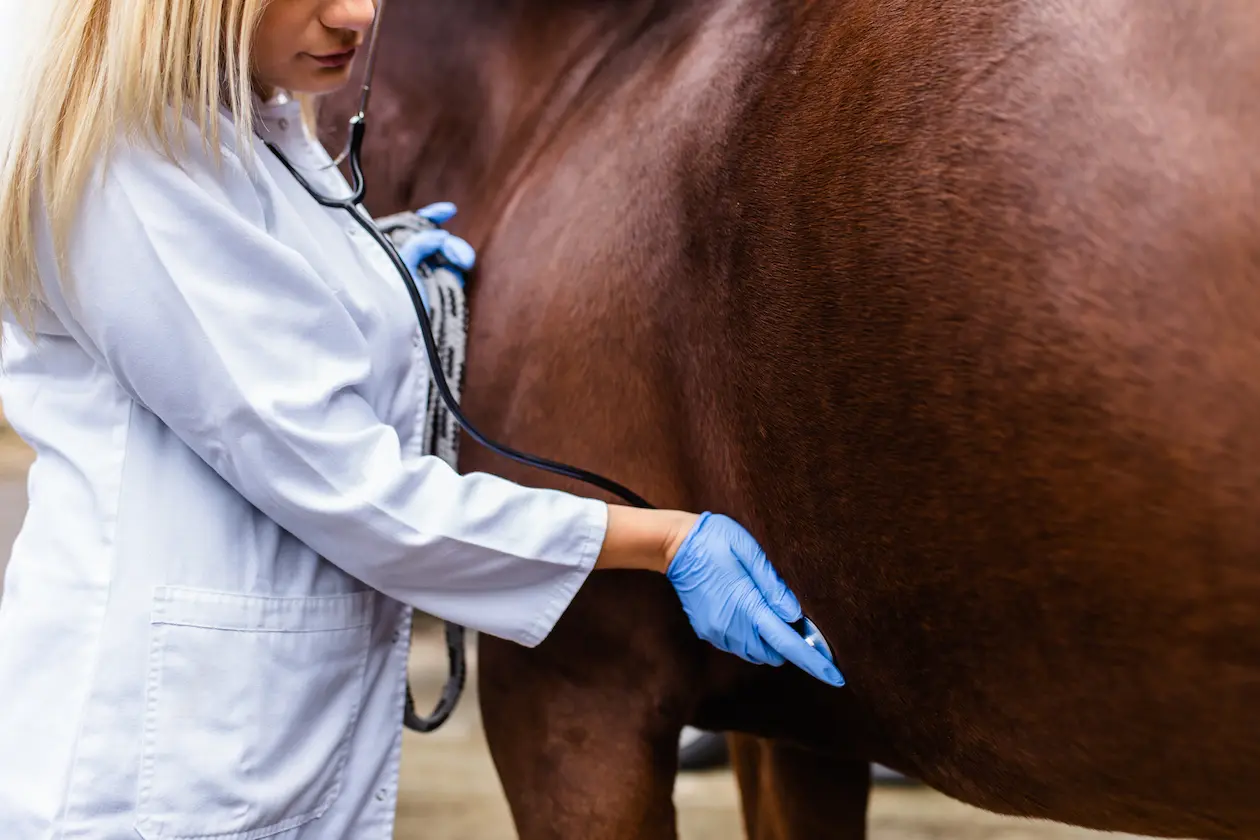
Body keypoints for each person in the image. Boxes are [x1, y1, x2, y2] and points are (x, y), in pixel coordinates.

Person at [0, 1, 843, 837]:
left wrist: (374, 272)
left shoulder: (254, 126)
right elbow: (360, 496)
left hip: (247, 740)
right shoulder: (134, 168)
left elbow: (253, 316)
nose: (358, 16)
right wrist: (664, 543)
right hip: (157, 768)